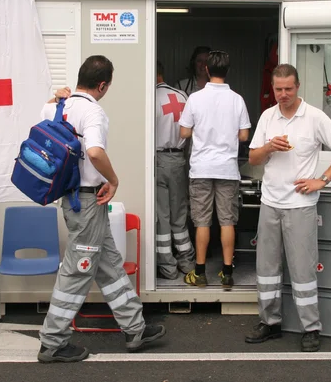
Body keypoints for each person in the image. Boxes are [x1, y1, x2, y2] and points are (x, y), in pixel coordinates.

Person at [38, 55, 166, 363]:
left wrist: (57, 95)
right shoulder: (93, 112)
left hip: (69, 198)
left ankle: (135, 328)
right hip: (88, 200)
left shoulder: (55, 106)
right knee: (78, 270)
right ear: (103, 85)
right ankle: (52, 342)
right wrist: (113, 179)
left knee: (109, 263)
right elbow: (94, 152)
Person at [246, 63, 331, 352]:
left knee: (303, 269)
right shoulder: (268, 117)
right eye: (278, 89)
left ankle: (310, 328)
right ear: (273, 88)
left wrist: (322, 180)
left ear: (298, 86)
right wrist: (269, 147)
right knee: (266, 268)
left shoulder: (315, 118)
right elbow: (253, 159)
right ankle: (269, 323)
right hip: (270, 202)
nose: (283, 94)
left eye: (288, 89)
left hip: (300, 205)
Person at [179, 50, 251, 289]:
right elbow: (243, 135)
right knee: (227, 221)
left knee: (202, 222)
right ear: (227, 71)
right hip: (228, 169)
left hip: (201, 168)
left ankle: (199, 273)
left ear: (207, 70)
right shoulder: (237, 99)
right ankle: (227, 272)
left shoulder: (195, 98)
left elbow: (184, 132)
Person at [155, 60, 196, 279]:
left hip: (158, 159)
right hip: (180, 159)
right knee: (180, 212)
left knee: (162, 214)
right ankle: (186, 261)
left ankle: (167, 267)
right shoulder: (182, 96)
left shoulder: (150, 98)